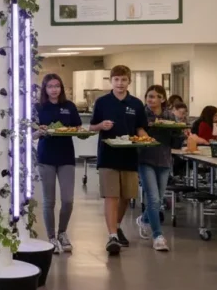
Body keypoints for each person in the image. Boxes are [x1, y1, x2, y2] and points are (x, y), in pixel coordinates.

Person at [90, 65, 149, 256]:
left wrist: (145, 138)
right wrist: (101, 125)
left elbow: (140, 128)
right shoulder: (102, 102)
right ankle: (112, 236)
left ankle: (116, 225)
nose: (120, 83)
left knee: (126, 196)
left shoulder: (136, 104)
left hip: (130, 155)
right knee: (111, 195)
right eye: (116, 80)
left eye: (123, 80)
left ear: (129, 81)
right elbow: (92, 127)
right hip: (108, 154)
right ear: (111, 81)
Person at [35, 73, 82, 254]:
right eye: (50, 86)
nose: (54, 89)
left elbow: (77, 127)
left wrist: (76, 130)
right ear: (45, 89)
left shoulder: (69, 106)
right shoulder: (38, 107)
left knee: (68, 200)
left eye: (57, 86)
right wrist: (40, 131)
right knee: (49, 201)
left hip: (66, 157)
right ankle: (51, 237)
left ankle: (62, 232)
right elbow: (30, 133)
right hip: (46, 156)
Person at [136, 85, 184, 252]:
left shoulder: (170, 116)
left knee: (159, 198)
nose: (151, 99)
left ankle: (143, 219)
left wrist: (179, 132)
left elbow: (176, 142)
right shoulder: (141, 114)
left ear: (163, 99)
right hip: (145, 159)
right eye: (149, 96)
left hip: (164, 161)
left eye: (155, 96)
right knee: (154, 199)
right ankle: (158, 236)